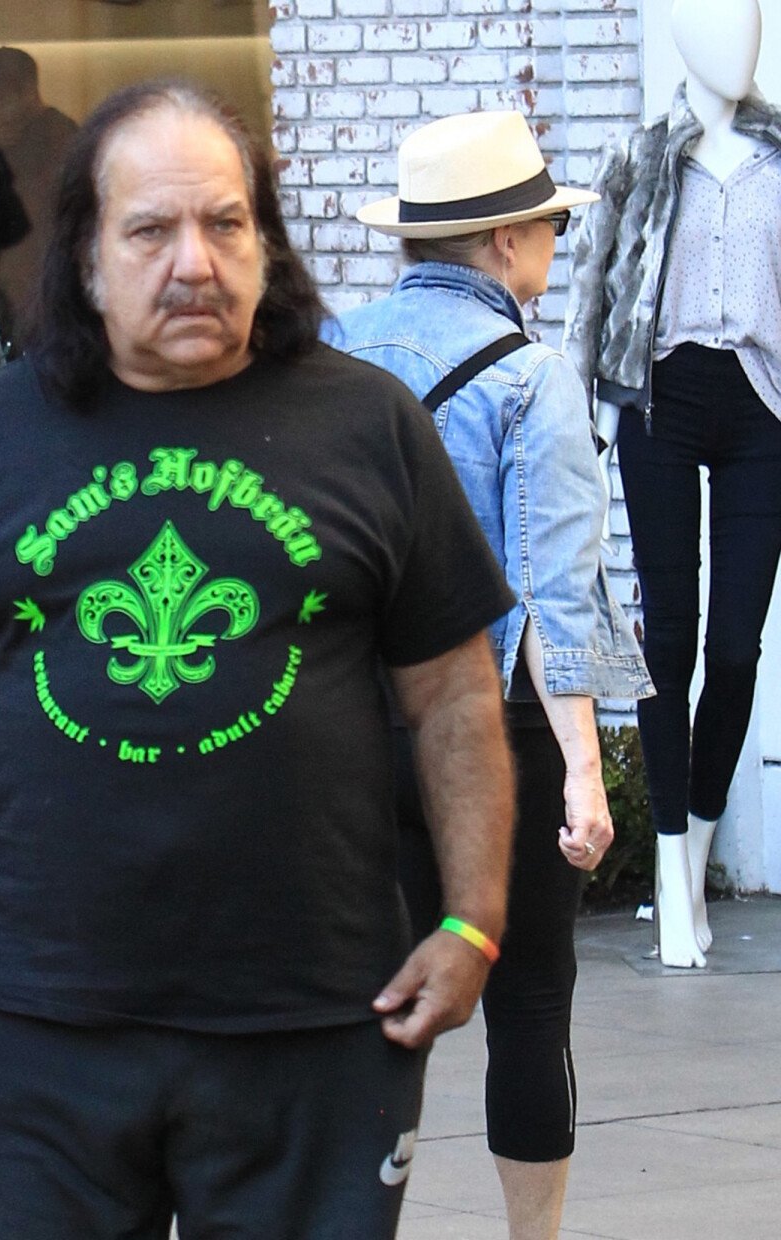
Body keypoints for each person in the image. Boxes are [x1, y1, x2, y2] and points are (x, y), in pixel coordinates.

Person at [0, 77, 517, 1240]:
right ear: (86, 257)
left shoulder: (372, 426)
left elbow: (454, 691)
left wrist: (474, 921)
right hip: (30, 1028)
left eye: (225, 223)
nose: (193, 262)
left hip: (311, 1026)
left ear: (268, 243)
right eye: (150, 230)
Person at [328, 111, 652, 1240]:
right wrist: (588, 769)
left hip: (336, 733)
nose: (555, 251)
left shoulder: (324, 361)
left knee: (364, 1012)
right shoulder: (536, 379)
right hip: (490, 736)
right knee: (526, 1008)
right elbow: (566, 598)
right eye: (552, 231)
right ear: (507, 242)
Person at [564, 0, 781, 968]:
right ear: (683, 46)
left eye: (752, 31)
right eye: (720, 31)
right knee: (671, 635)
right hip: (662, 399)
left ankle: (691, 844)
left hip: (763, 402)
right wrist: (581, 426)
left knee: (736, 645)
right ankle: (667, 869)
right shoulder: (643, 157)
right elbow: (592, 291)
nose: (740, 49)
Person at [0, 46, 78, 348]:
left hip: (42, 288)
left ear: (26, 91)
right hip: (9, 289)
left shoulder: (55, 137)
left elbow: (33, 214)